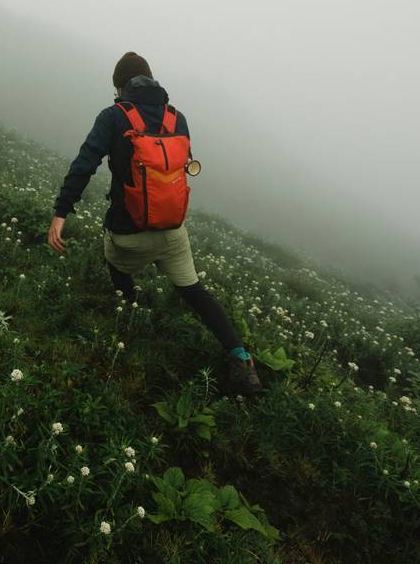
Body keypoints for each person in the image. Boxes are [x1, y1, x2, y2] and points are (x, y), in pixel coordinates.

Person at [47, 52, 263, 396]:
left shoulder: (113, 116)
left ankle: (130, 307)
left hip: (127, 235)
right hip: (172, 233)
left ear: (120, 87)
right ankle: (240, 356)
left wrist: (61, 213)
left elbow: (84, 164)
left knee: (113, 260)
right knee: (194, 292)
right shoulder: (178, 119)